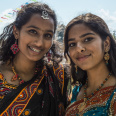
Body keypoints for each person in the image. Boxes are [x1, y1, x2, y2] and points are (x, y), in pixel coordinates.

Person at [0, 2, 69, 116]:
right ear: (16, 32)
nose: (39, 43)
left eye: (47, 35)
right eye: (33, 31)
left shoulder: (58, 74)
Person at [64, 13, 116, 116]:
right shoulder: (76, 91)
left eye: (87, 39)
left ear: (106, 44)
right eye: (72, 44)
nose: (79, 48)